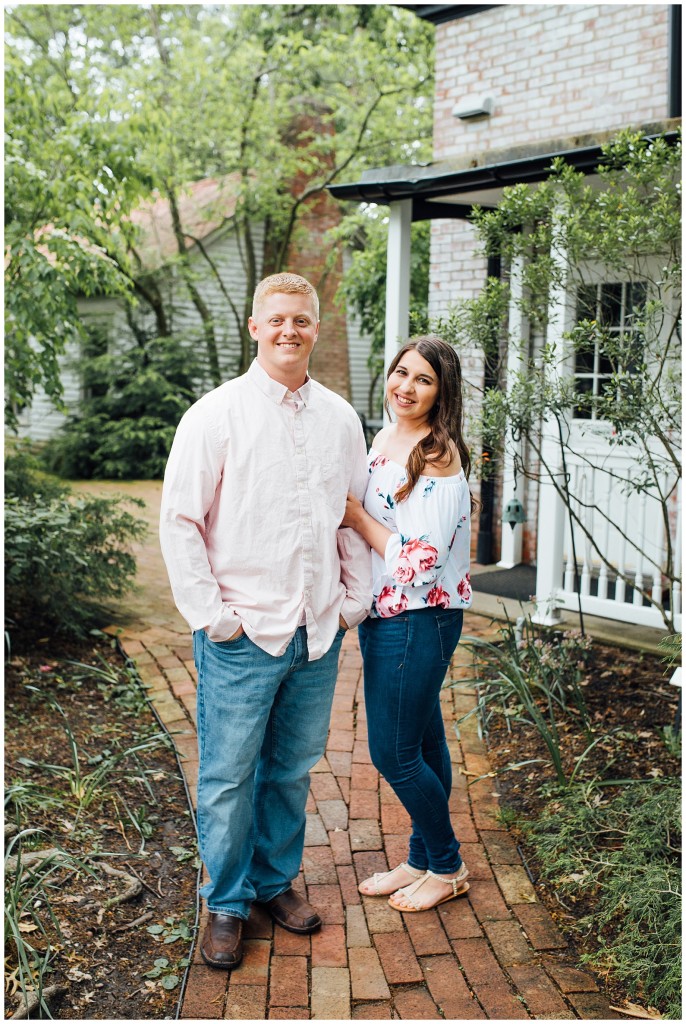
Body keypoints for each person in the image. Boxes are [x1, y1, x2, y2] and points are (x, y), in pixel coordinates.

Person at [159, 272, 371, 969]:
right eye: (276, 320)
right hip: (242, 634)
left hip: (316, 634)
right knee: (225, 775)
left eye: (302, 321)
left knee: (289, 772)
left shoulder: (341, 418)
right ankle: (225, 901)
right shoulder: (214, 416)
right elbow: (181, 523)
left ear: (315, 327)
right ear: (254, 327)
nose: (289, 331)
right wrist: (216, 619)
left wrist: (349, 604)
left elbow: (350, 518)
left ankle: (273, 885)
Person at [341, 335, 474, 913]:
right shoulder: (388, 434)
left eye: (422, 379)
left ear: (442, 391)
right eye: (400, 373)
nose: (406, 387)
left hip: (421, 615)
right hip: (385, 610)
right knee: (423, 740)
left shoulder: (438, 453)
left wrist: (355, 517)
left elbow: (421, 564)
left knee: (393, 753)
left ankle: (447, 866)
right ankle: (421, 857)